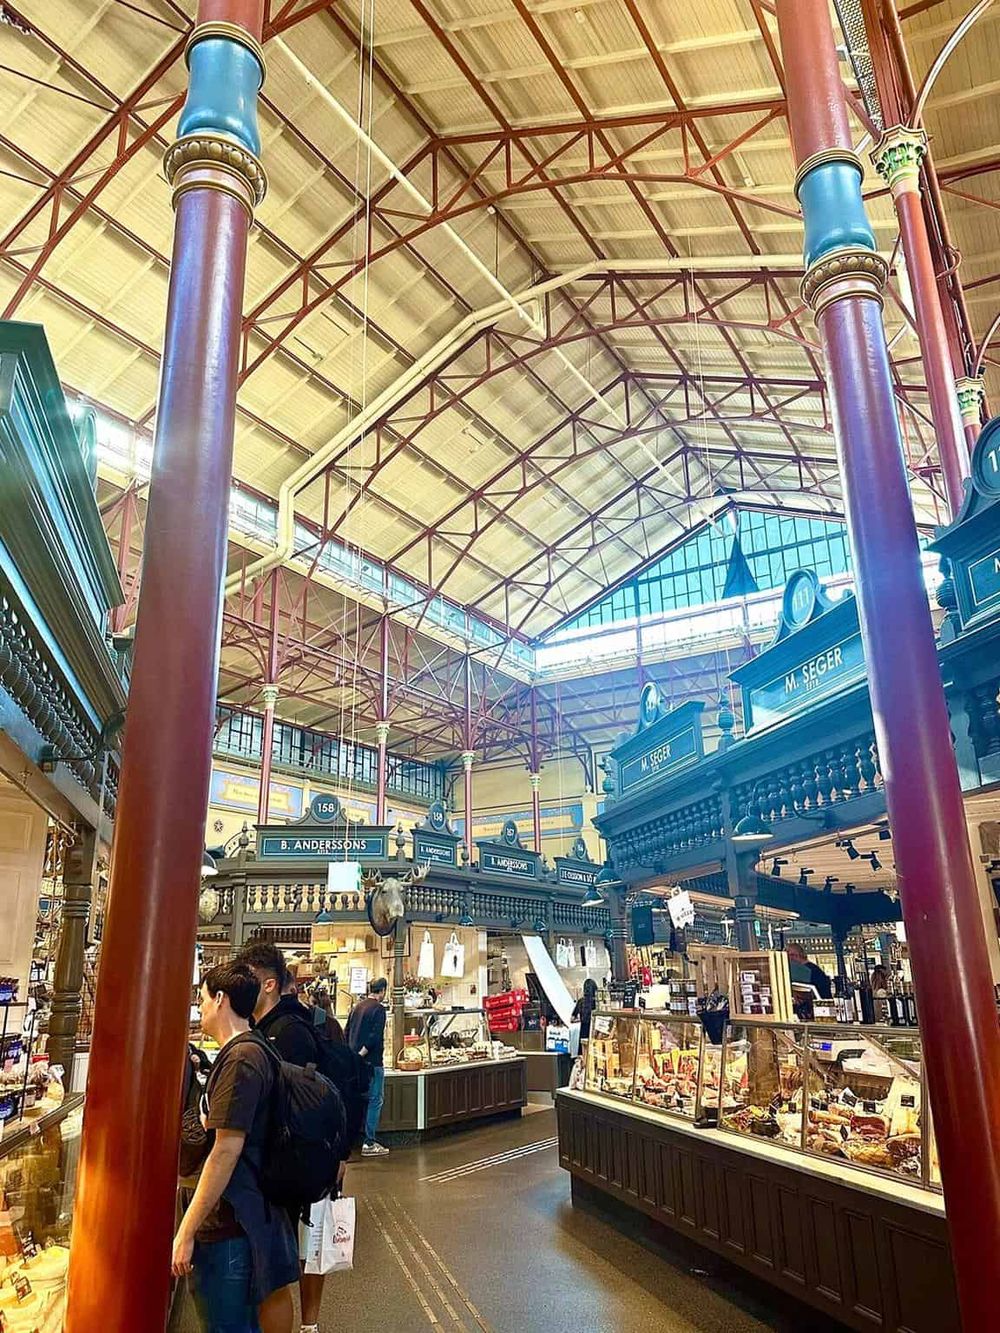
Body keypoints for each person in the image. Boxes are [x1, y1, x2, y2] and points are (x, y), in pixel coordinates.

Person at [172, 962, 298, 1333]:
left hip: (230, 1225)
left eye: (203, 997)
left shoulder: (242, 1060)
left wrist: (186, 1230)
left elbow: (226, 1151)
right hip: (241, 1218)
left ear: (221, 999)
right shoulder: (248, 1051)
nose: (200, 1006)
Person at [239, 943, 346, 1333]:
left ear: (269, 984)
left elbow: (307, 1100)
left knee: (305, 1244)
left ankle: (309, 1325)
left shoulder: (289, 1031)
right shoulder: (267, 1027)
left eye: (247, 979)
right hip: (301, 1156)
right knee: (299, 1244)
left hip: (302, 1157)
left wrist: (335, 1156)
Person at [346, 977, 388, 1157]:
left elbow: (346, 1031)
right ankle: (369, 1142)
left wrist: (352, 1055)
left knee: (357, 1099)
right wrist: (363, 1053)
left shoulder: (357, 1007)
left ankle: (350, 1139)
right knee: (375, 1099)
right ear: (383, 990)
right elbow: (375, 1036)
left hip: (355, 1062)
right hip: (372, 1062)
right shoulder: (378, 1009)